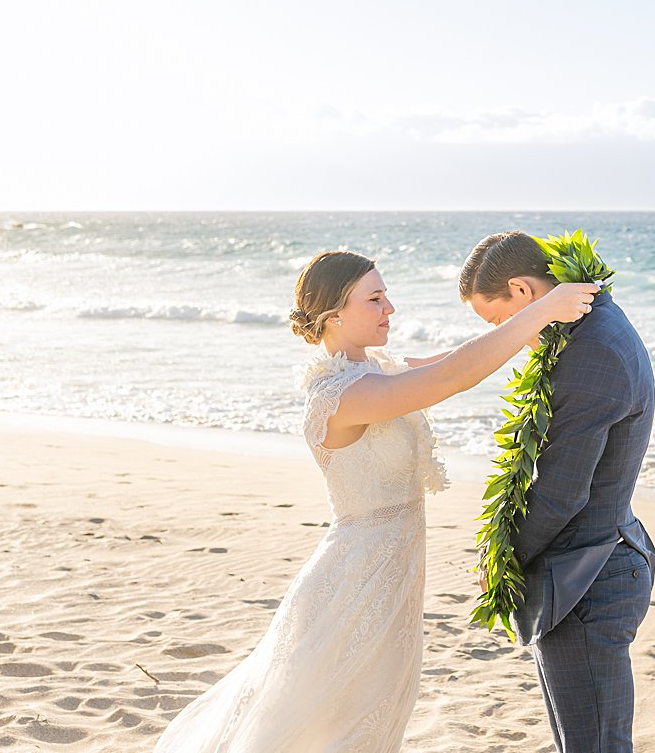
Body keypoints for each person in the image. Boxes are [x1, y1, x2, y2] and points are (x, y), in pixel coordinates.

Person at [154, 250, 599, 752]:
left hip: (398, 578)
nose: (391, 308)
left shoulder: (381, 369)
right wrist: (540, 310)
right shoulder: (340, 395)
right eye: (375, 298)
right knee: (343, 724)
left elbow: (457, 359)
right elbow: (448, 378)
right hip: (354, 584)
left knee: (379, 713)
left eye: (386, 294)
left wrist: (529, 324)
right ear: (334, 315)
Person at [459, 231, 655, 753]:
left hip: (588, 578)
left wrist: (501, 561)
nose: (509, 336)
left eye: (500, 321)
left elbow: (558, 495)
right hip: (593, 563)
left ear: (523, 291)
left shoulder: (589, 354)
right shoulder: (592, 327)